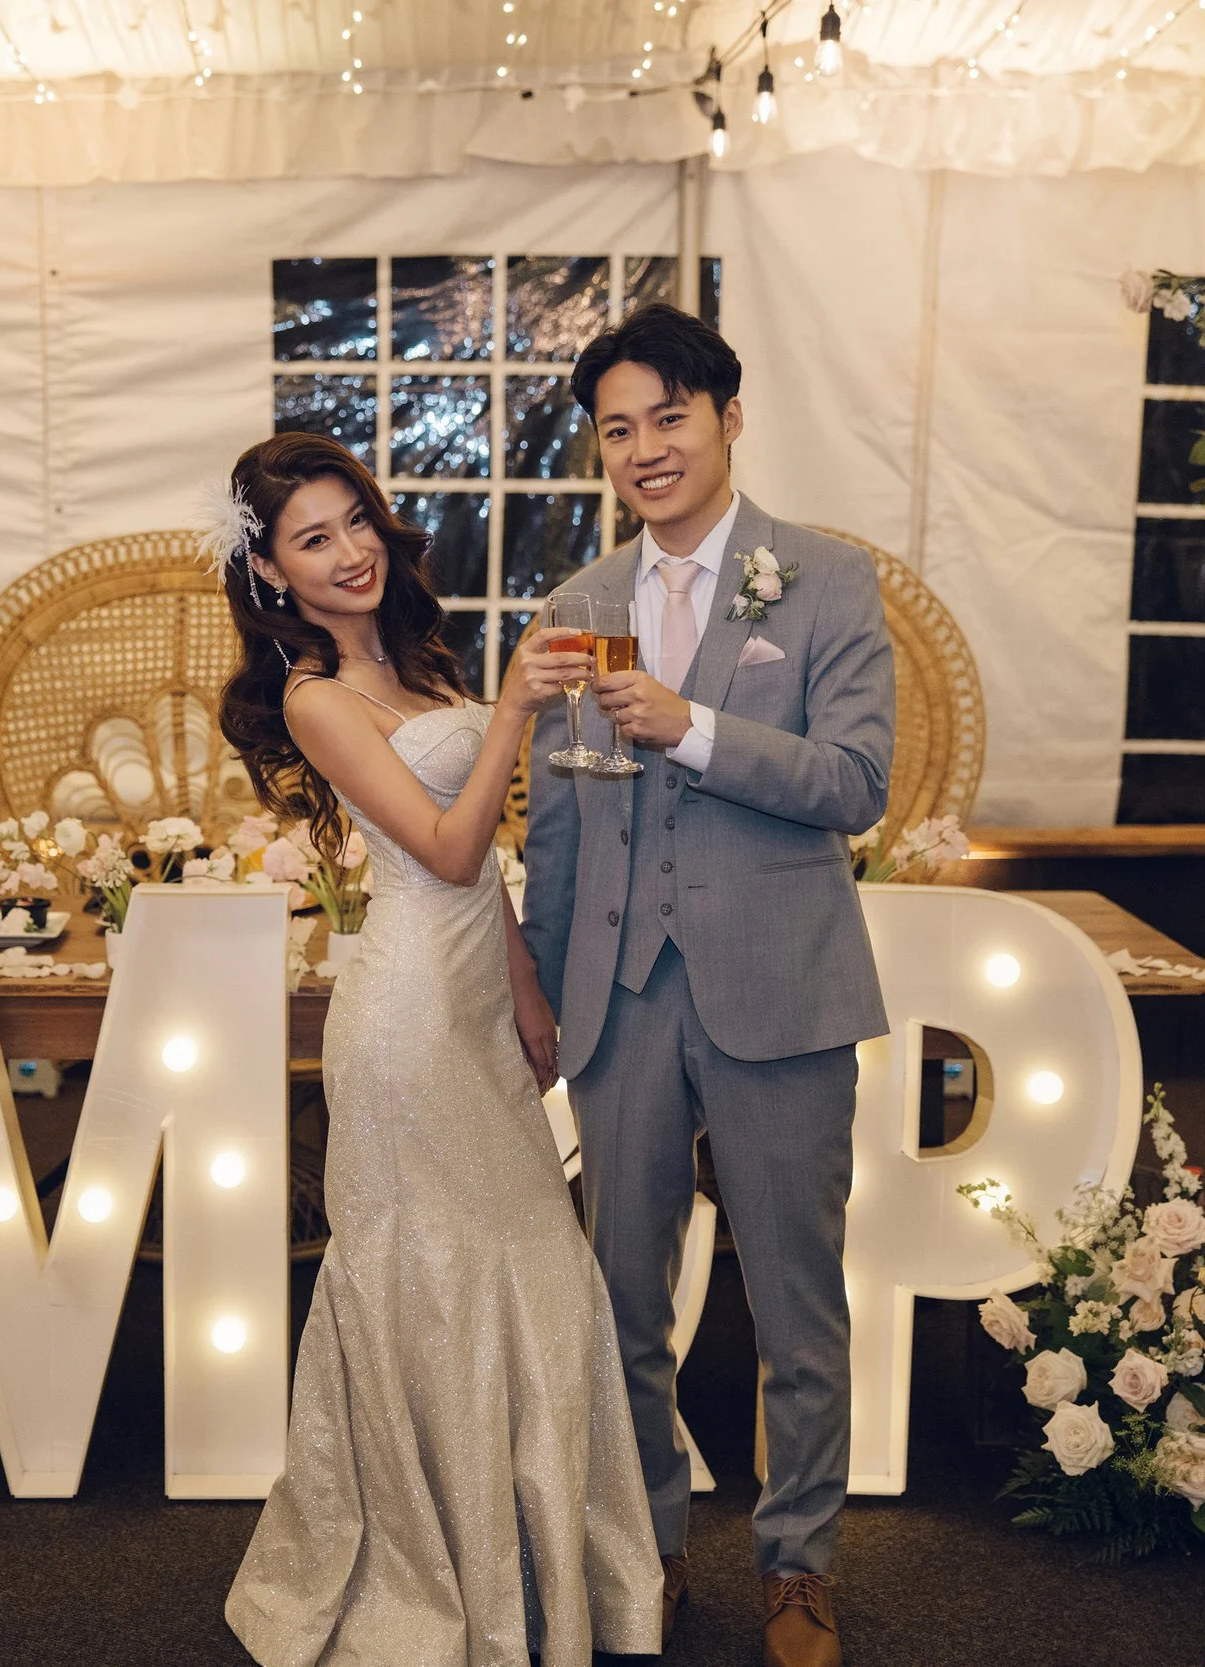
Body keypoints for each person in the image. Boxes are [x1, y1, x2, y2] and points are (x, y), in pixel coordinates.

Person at [215, 432, 663, 1667]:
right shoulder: (315, 696)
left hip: (476, 992)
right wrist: (517, 707)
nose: (350, 550)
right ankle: (437, 1577)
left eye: (354, 519)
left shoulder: (413, 657)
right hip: (406, 1016)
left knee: (534, 1268)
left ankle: (541, 1572)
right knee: (434, 1280)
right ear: (272, 573)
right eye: (313, 538)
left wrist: (525, 988)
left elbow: (487, 879)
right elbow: (447, 850)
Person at [522, 303, 895, 1667]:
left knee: (797, 1297)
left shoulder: (827, 582)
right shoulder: (576, 608)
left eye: (668, 416)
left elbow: (858, 785)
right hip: (621, 993)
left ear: (729, 418)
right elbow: (558, 819)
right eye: (617, 429)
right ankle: (649, 1545)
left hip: (781, 986)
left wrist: (696, 726)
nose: (644, 448)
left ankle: (799, 1561)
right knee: (619, 1291)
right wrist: (545, 999)